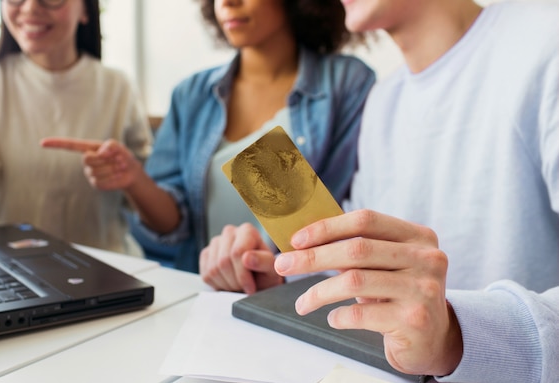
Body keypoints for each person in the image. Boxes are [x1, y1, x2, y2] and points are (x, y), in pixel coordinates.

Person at [200, 0, 559, 383]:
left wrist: (455, 335)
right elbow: (366, 269)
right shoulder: (383, 100)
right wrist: (282, 282)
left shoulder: (546, 46)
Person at [41, 0, 376, 273]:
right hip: (204, 293)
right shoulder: (192, 93)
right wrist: (133, 179)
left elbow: (336, 220)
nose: (227, 4)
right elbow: (172, 226)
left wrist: (266, 266)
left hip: (297, 296)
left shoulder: (345, 83)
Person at [0, 0, 152, 256]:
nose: (29, 8)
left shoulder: (118, 86)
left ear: (85, 10)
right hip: (7, 271)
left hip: (107, 270)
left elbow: (156, 213)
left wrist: (129, 175)